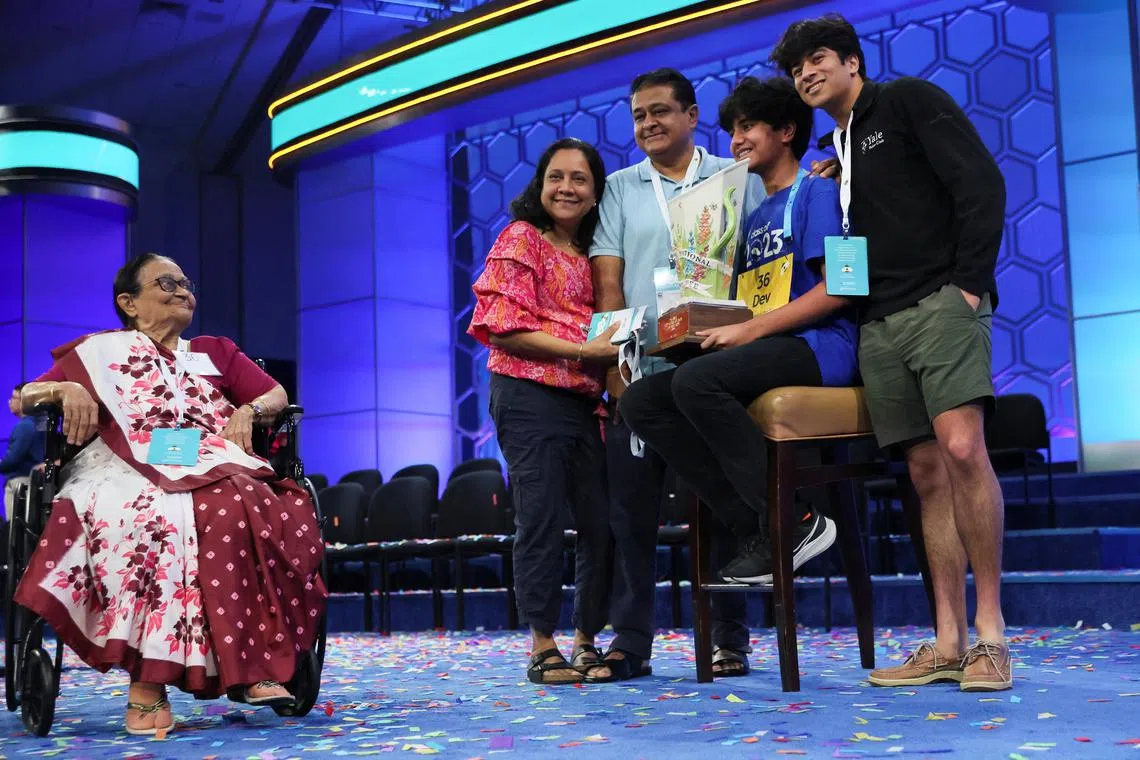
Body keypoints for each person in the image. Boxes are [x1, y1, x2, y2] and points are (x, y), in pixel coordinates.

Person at [772, 14, 1010, 691]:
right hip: (878, 323)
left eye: (818, 58)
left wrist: (968, 286)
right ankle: (946, 641)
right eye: (796, 69)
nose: (807, 74)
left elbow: (980, 185)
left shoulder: (905, 100)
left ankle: (991, 637)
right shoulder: (838, 149)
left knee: (964, 451)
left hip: (941, 302)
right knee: (927, 474)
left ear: (852, 62)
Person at [14, 253, 328, 735]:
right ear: (129, 303)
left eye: (186, 282)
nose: (183, 290)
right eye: (167, 282)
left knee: (244, 501)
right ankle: (148, 681)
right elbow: (23, 397)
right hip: (121, 465)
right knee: (154, 513)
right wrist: (62, 392)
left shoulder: (215, 351)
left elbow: (277, 395)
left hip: (214, 461)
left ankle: (248, 665)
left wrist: (249, 412)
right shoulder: (102, 351)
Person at [620, 76, 853, 601]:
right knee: (644, 401)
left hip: (821, 349)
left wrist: (746, 330)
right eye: (732, 130)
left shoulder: (820, 192)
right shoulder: (750, 215)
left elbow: (843, 291)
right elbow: (749, 299)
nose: (736, 141)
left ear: (787, 131)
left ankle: (796, 520)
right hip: (765, 348)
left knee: (698, 383)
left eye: (748, 127)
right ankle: (761, 528)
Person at [589, 68, 764, 679]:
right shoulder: (618, 188)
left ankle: (729, 638)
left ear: (692, 115)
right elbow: (608, 278)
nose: (648, 124)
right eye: (638, 115)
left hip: (714, 367)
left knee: (715, 499)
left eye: (660, 111)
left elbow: (764, 260)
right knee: (630, 512)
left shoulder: (733, 178)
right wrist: (615, 363)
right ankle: (630, 643)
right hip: (641, 368)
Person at [467, 138, 620, 686]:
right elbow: (506, 327)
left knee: (600, 524)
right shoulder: (522, 238)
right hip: (528, 395)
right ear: (540, 183)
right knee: (542, 519)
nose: (567, 188)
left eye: (580, 179)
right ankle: (541, 643)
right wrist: (584, 350)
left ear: (596, 191)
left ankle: (586, 639)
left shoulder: (596, 254)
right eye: (557, 177)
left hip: (585, 402)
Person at [1, 383, 45, 520]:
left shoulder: (24, 427)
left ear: (24, 401)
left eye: (13, 397)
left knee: (16, 534)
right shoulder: (42, 424)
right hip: (37, 484)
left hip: (21, 484)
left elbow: (12, 461)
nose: (9, 401)